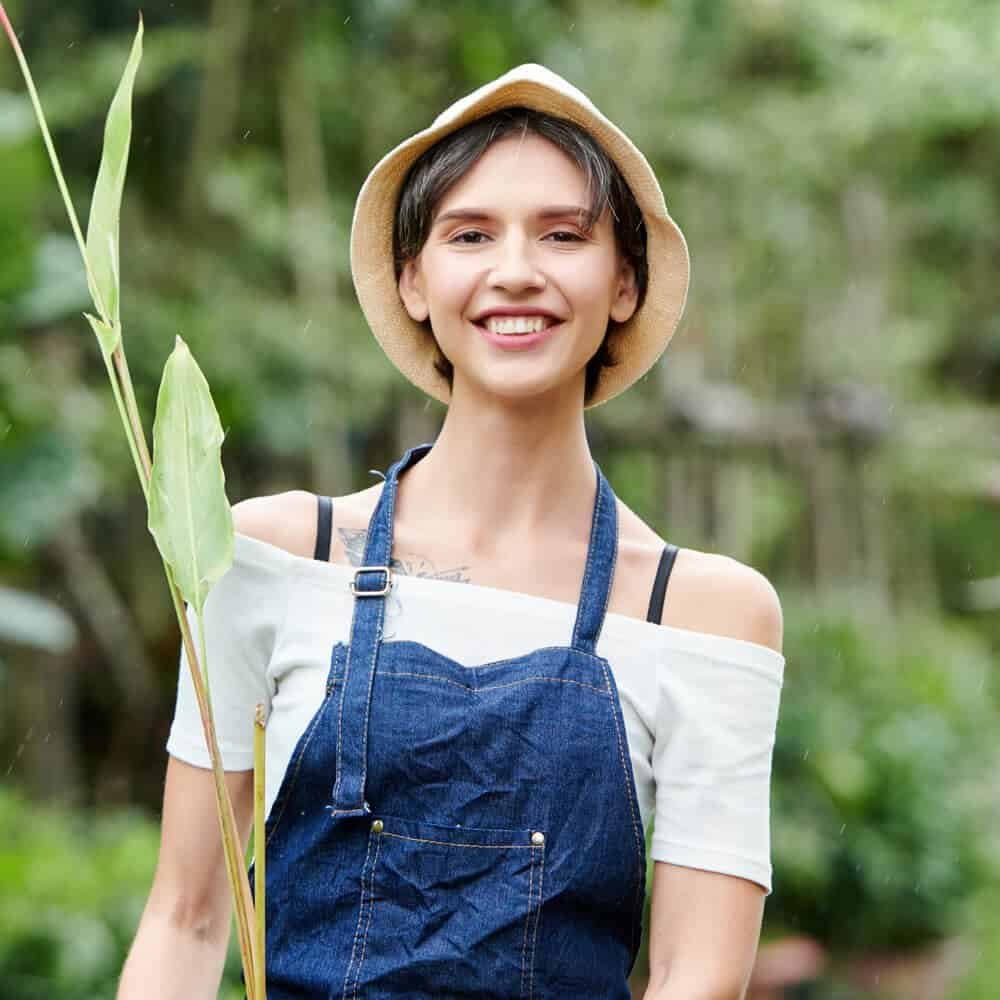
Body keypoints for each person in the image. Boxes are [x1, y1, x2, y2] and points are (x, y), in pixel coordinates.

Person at [118, 64, 785, 1000]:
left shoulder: (708, 613)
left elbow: (694, 976)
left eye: (564, 235)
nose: (516, 270)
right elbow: (185, 919)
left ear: (624, 283)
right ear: (414, 281)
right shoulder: (268, 554)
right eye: (470, 235)